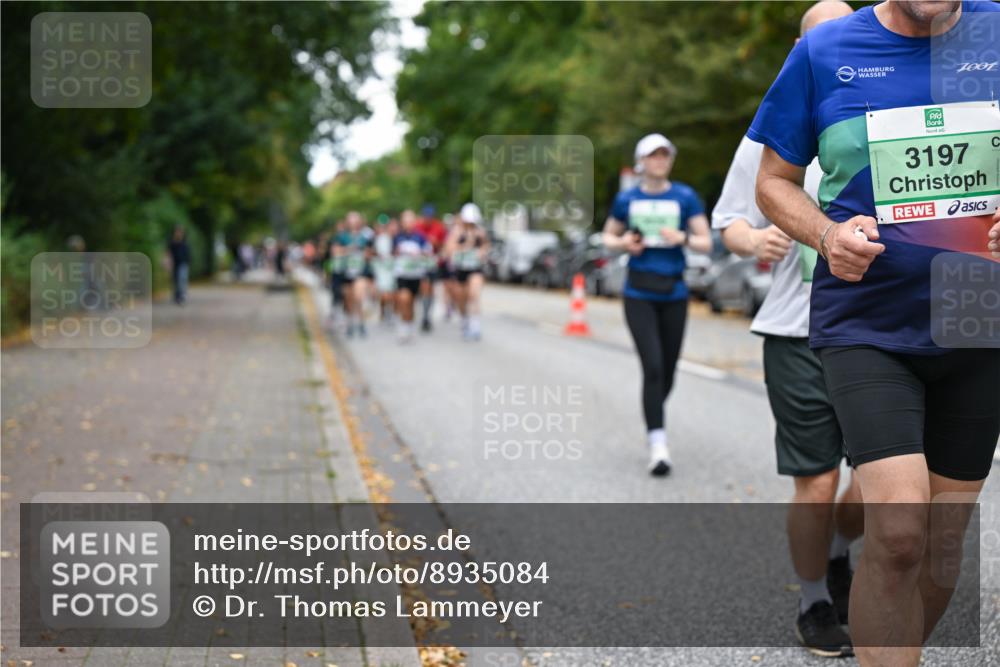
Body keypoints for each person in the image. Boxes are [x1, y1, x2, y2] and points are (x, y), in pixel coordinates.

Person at [752, 1, 1000, 664]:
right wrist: (827, 234)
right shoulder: (824, 50)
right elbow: (773, 182)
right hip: (868, 321)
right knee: (897, 530)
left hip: (979, 318)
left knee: (940, 549)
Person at [716, 1, 862, 657]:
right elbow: (731, 222)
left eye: (845, 32)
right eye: (820, 37)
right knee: (817, 479)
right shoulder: (767, 132)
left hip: (875, 326)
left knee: (886, 480)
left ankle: (841, 547)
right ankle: (814, 602)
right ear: (801, 50)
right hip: (795, 325)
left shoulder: (883, 116)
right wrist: (758, 240)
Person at [602, 134, 712, 476]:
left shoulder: (684, 196)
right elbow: (608, 238)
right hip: (639, 293)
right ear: (641, 161)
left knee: (668, 371)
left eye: (665, 155)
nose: (660, 160)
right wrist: (624, 243)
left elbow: (706, 242)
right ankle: (658, 444)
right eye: (654, 155)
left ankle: (653, 414)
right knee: (652, 366)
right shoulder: (627, 199)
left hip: (674, 294)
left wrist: (683, 238)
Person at [444, 203, 489, 341]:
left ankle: (475, 325)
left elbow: (486, 245)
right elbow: (449, 249)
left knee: (474, 295)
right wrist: (464, 245)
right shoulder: (457, 232)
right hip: (460, 269)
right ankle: (465, 319)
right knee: (461, 298)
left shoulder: (480, 232)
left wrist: (482, 252)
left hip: (475, 268)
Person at [394, 209, 433, 343]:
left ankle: (409, 324)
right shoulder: (397, 237)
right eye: (405, 221)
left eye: (410, 220)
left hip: (416, 275)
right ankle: (404, 326)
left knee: (411, 303)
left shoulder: (420, 237)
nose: (408, 223)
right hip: (402, 275)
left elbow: (428, 253)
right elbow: (391, 254)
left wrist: (420, 253)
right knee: (404, 299)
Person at [334, 211, 374, 338]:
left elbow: (370, 253)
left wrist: (364, 254)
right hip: (346, 271)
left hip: (360, 271)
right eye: (351, 219)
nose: (353, 222)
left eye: (355, 219)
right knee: (348, 298)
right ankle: (350, 322)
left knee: (358, 296)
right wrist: (349, 249)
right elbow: (335, 251)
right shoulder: (342, 236)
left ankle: (361, 323)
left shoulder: (366, 235)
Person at [415, 204, 448, 332]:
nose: (428, 219)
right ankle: (424, 314)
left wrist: (437, 244)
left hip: (433, 263)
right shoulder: (417, 227)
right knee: (424, 287)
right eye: (426, 216)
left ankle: (427, 314)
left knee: (431, 289)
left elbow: (444, 245)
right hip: (420, 263)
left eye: (430, 216)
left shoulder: (439, 227)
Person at [372, 215, 398, 326]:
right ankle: (385, 313)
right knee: (385, 293)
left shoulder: (396, 238)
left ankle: (388, 313)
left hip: (394, 269)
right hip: (383, 270)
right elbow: (380, 255)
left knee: (392, 293)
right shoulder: (382, 239)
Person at [168, 225, 190, 305]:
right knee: (175, 281)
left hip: (183, 264)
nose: (178, 234)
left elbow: (188, 255)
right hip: (174, 265)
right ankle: (177, 296)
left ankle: (182, 295)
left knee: (182, 279)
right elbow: (168, 254)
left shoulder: (185, 243)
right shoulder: (172, 243)